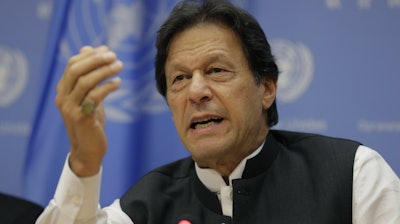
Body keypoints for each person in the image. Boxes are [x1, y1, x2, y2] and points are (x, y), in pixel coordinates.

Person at [36, 0, 400, 223]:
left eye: (216, 71)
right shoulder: (145, 206)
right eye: (179, 78)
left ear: (267, 88)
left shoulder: (352, 175)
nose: (196, 91)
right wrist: (84, 162)